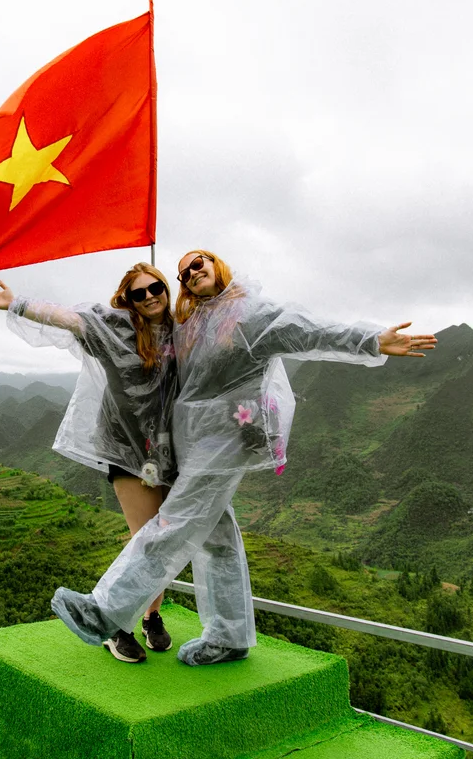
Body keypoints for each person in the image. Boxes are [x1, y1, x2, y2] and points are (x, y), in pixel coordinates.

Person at [50, 249, 438, 666]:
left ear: (217, 264)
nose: (191, 273)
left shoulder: (249, 312)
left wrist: (371, 340)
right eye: (182, 274)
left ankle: (104, 611)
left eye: (198, 263)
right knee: (217, 539)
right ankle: (229, 635)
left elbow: (308, 331)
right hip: (196, 444)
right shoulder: (195, 319)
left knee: (172, 522)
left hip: (224, 442)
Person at [0, 262, 180, 663]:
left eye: (156, 287)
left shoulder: (179, 330)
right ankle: (116, 624)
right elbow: (69, 319)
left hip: (169, 452)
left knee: (167, 542)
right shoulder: (116, 329)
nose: (150, 296)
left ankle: (151, 617)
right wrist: (16, 303)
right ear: (128, 299)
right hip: (125, 448)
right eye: (139, 293)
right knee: (147, 542)